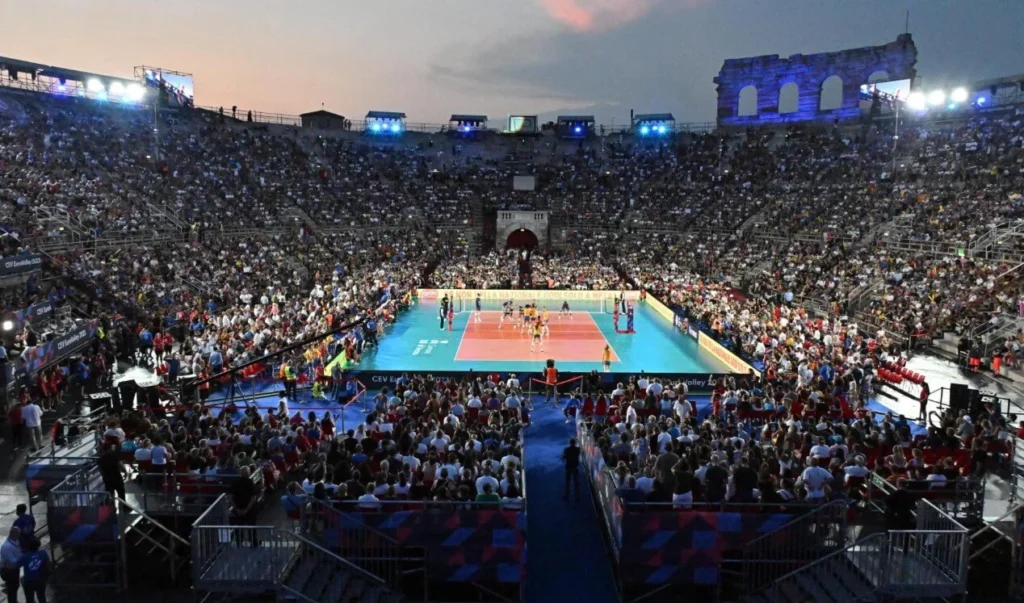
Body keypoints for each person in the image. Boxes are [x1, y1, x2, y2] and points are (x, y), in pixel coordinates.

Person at [18, 536, 49, 603]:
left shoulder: (25, 556)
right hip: (41, 579)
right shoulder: (43, 553)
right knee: (41, 597)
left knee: (29, 599)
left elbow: (17, 564)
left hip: (29, 581)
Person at [1, 527, 21, 603]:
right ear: (13, 534)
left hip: (14, 569)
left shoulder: (15, 541)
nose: (19, 536)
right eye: (18, 534)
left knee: (15, 586)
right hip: (9, 571)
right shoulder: (7, 547)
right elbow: (13, 562)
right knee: (12, 589)